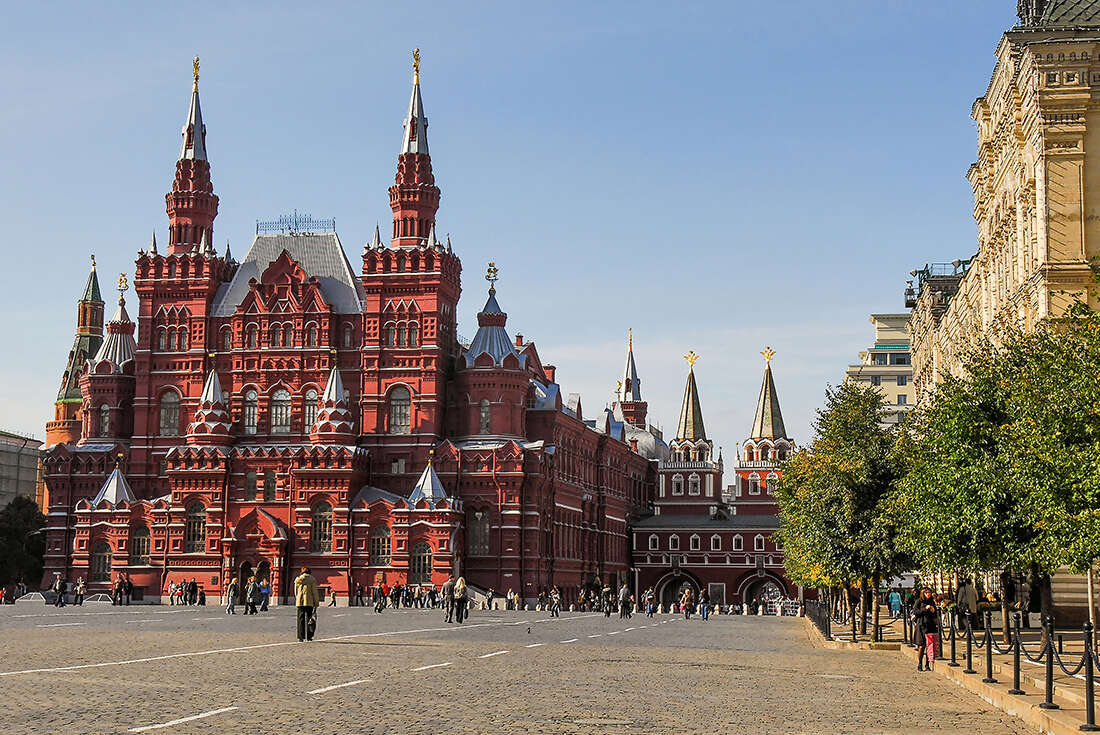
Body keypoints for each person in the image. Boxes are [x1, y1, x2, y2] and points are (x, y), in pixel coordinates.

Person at [912, 587, 940, 671]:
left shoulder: (932, 602)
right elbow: (915, 612)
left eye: (929, 593)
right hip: (921, 625)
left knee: (929, 646)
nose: (928, 594)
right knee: (922, 646)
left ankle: (927, 664)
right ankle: (920, 664)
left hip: (930, 625)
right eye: (927, 593)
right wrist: (925, 609)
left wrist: (933, 610)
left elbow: (935, 614)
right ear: (923, 593)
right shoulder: (919, 601)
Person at [294, 566, 320, 642]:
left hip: (300, 602)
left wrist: (298, 598)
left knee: (300, 619)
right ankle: (309, 636)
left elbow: (295, 591)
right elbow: (314, 592)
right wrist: (316, 602)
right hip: (309, 601)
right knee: (309, 619)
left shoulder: (298, 579)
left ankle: (300, 637)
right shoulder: (312, 579)